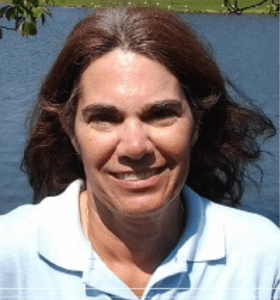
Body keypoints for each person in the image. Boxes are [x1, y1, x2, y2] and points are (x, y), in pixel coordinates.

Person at [0, 7, 279, 300]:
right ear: (71, 130)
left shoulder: (262, 260)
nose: (135, 147)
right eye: (105, 118)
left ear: (197, 123)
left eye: (160, 114)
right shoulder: (10, 257)